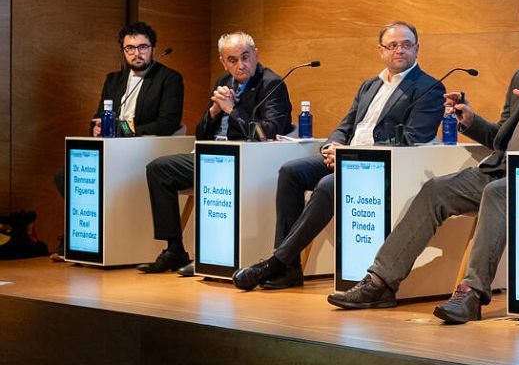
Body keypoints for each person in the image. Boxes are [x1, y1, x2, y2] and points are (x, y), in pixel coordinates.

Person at [326, 0, 519, 323]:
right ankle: (380, 283)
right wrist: (471, 121)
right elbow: (502, 138)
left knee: (498, 193)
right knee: (435, 189)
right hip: (502, 167)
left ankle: (471, 294)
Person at [231, 21, 445, 290]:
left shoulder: (428, 88)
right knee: (291, 172)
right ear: (381, 51)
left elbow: (411, 139)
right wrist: (332, 147)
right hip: (346, 159)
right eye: (392, 45)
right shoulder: (370, 85)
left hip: (381, 167)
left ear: (417, 49)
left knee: (329, 185)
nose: (399, 50)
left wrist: (348, 155)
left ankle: (277, 262)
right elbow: (345, 126)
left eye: (406, 45)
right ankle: (290, 269)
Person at [138, 32, 294, 274]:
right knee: (159, 169)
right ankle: (175, 249)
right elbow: (201, 135)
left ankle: (211, 255)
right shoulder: (224, 81)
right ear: (223, 62)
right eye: (232, 60)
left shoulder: (271, 84)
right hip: (210, 156)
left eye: (245, 57)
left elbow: (267, 132)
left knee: (213, 173)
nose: (240, 65)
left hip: (243, 161)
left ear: (256, 54)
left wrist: (232, 110)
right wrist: (213, 111)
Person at [50, 22, 184, 261]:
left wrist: (123, 129)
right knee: (65, 174)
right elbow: (97, 117)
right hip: (111, 151)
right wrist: (97, 127)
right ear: (123, 51)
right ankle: (85, 235)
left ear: (153, 48)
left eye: (143, 47)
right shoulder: (113, 80)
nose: (137, 53)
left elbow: (168, 123)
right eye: (130, 48)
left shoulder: (169, 79)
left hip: (143, 150)